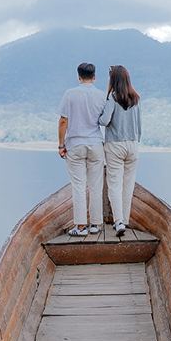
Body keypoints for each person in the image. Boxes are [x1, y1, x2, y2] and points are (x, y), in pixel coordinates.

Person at [58, 62, 106, 237]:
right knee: (96, 186)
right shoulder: (101, 96)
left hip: (75, 145)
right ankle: (95, 225)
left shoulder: (70, 94)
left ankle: (80, 227)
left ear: (78, 76)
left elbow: (63, 121)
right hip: (95, 144)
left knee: (78, 186)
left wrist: (61, 145)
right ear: (94, 77)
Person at [99, 65, 141, 237]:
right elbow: (139, 125)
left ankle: (118, 222)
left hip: (115, 145)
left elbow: (104, 121)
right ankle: (125, 218)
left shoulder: (113, 98)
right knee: (128, 185)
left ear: (113, 80)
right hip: (133, 145)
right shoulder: (136, 98)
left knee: (114, 185)